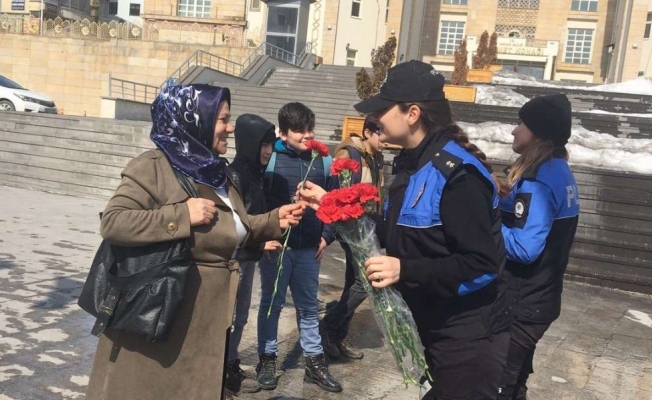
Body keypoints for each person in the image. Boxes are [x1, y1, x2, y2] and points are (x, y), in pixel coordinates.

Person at [298, 61, 512, 399]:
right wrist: (330, 203)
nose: (375, 119)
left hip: (468, 339)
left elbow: (482, 264)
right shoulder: (412, 166)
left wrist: (404, 268)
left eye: (383, 109)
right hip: (435, 330)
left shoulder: (457, 175)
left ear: (412, 113)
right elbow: (390, 232)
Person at [86, 84, 304, 400]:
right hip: (162, 319)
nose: (230, 128)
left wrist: (272, 221)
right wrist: (181, 214)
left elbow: (228, 229)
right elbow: (114, 222)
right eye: (223, 119)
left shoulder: (216, 173)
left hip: (205, 324)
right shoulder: (154, 166)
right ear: (196, 119)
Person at [496, 94, 580, 400]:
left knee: (497, 385)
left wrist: (484, 230)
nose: (513, 131)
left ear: (539, 133)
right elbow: (524, 214)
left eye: (521, 124)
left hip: (522, 303)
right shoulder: (558, 170)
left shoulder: (538, 180)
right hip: (539, 300)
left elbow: (525, 247)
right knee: (515, 381)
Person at [256, 102, 342, 393]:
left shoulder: (323, 161)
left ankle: (314, 363)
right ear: (282, 132)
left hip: (309, 249)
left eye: (310, 129)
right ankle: (267, 358)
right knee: (272, 306)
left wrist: (326, 235)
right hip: (277, 250)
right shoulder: (270, 161)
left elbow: (334, 201)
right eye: (300, 131)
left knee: (307, 308)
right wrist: (263, 237)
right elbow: (257, 206)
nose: (308, 135)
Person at [320, 116, 385, 360]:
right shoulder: (349, 154)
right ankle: (328, 325)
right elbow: (337, 195)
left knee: (352, 283)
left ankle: (335, 339)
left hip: (366, 228)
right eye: (381, 134)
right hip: (349, 228)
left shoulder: (375, 157)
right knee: (365, 282)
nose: (385, 141)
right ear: (368, 132)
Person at [225, 114, 281, 395]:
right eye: (263, 144)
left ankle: (230, 362)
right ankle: (225, 369)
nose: (268, 151)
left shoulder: (255, 174)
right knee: (232, 316)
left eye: (270, 145)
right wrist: (261, 244)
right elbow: (235, 223)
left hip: (247, 258)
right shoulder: (235, 175)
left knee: (241, 315)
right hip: (236, 259)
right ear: (248, 143)